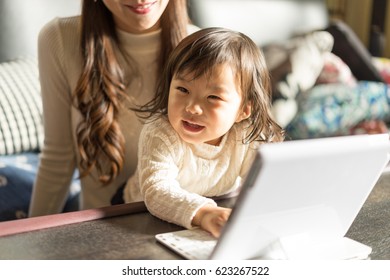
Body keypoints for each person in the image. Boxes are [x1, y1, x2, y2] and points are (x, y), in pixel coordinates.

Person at [29, 0, 197, 217]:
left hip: (181, 225)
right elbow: (57, 159)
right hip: (102, 232)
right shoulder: (61, 38)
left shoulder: (204, 49)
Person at [123, 27, 285, 237]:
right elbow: (157, 192)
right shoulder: (160, 132)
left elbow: (263, 187)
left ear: (244, 110)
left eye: (213, 98)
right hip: (137, 214)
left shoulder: (247, 136)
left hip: (215, 210)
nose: (192, 108)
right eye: (183, 90)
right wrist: (206, 213)